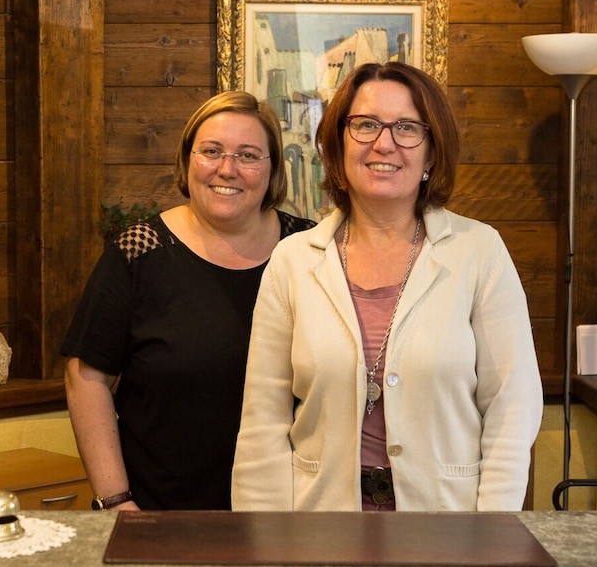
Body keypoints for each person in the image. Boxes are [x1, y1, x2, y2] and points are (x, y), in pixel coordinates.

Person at [232, 62, 543, 512]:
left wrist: (493, 530)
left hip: (449, 527)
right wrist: (266, 540)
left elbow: (512, 406)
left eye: (407, 127)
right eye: (365, 125)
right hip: (320, 525)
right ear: (339, 144)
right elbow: (263, 422)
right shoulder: (293, 260)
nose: (384, 143)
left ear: (431, 154)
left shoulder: (479, 252)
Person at [61, 91, 315, 510]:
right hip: (162, 516)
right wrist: (116, 501)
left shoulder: (308, 250)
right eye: (211, 151)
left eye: (248, 155)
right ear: (187, 160)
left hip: (290, 515)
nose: (227, 169)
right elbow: (86, 378)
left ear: (273, 169)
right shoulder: (138, 253)